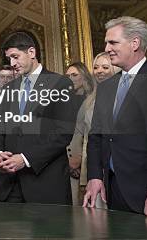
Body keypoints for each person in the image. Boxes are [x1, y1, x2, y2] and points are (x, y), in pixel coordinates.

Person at [84, 16, 147, 217]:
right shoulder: (106, 87)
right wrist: (95, 176)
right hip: (111, 190)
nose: (106, 48)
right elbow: (96, 136)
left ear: (135, 43)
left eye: (113, 42)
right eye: (106, 42)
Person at [0, 31, 75, 205]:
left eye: (15, 57)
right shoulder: (8, 89)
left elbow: (63, 133)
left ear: (31, 52)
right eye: (9, 59)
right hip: (10, 185)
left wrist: (25, 159)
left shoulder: (60, 84)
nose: (12, 64)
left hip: (46, 184)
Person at [67, 54, 117, 207]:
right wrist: (75, 158)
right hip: (93, 165)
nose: (99, 71)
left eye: (105, 67)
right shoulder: (89, 101)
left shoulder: (123, 97)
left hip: (116, 165)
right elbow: (79, 132)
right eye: (96, 67)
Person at [65, 62, 97, 205]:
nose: (70, 78)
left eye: (74, 75)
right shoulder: (64, 99)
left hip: (86, 158)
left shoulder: (92, 99)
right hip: (68, 158)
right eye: (67, 76)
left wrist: (79, 160)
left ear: (84, 76)